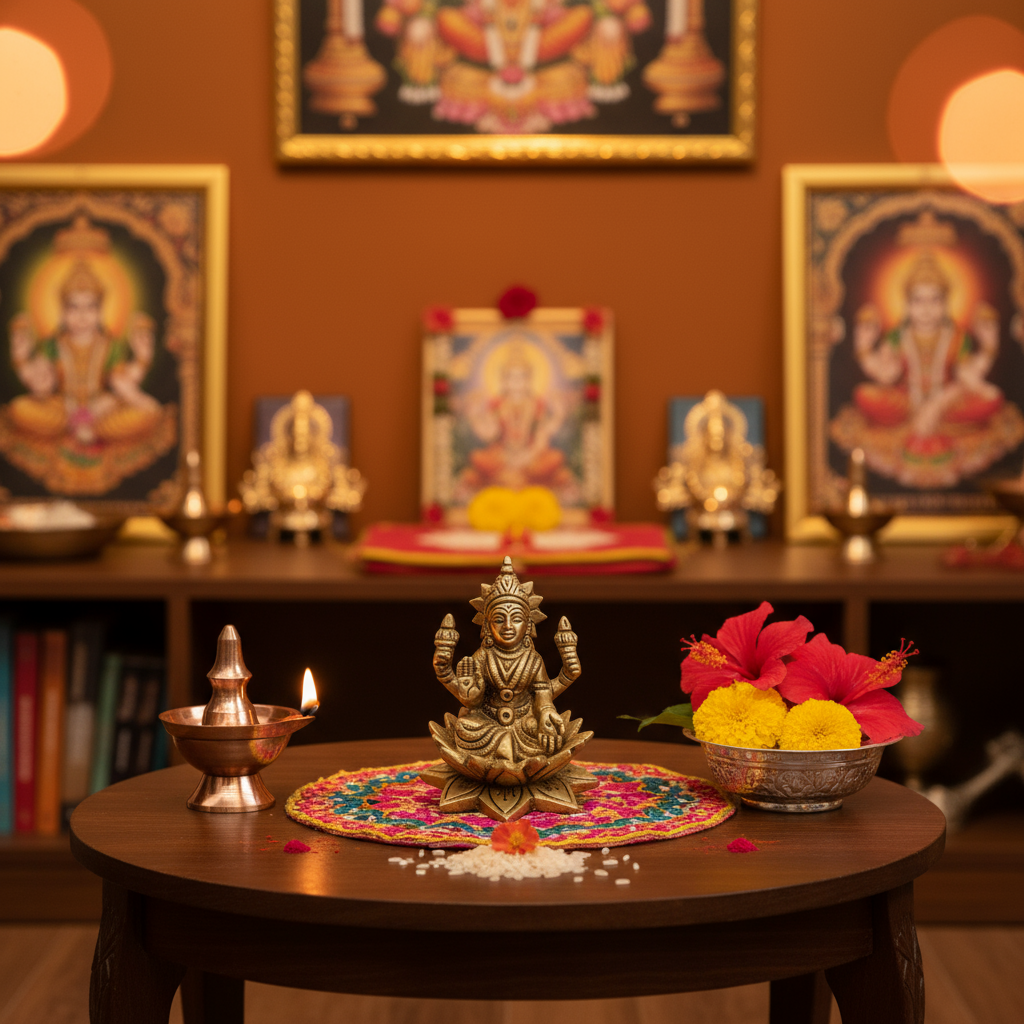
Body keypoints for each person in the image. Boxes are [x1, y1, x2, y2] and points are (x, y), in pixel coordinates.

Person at [851, 250, 1003, 456]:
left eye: (934, 301)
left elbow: (967, 377)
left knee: (992, 399)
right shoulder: (897, 336)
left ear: (945, 303)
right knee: (864, 395)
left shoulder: (957, 337)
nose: (926, 309)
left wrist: (988, 347)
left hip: (947, 403)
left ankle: (928, 423)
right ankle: (921, 422)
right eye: (918, 301)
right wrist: (864, 348)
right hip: (906, 404)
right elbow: (886, 376)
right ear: (907, 304)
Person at [431, 557, 580, 763]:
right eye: (499, 619)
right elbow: (472, 700)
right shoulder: (483, 656)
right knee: (465, 728)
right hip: (488, 722)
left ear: (528, 624)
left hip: (523, 723)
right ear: (487, 626)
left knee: (546, 732)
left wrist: (546, 712)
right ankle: (512, 758)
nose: (508, 626)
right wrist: (455, 680)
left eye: (517, 618)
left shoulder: (533, 659)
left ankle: (501, 757)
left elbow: (543, 694)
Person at [7, 261, 161, 446]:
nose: (82, 315)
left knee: (145, 414)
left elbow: (123, 383)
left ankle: (91, 430)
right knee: (19, 409)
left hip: (102, 410)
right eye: (74, 307)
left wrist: (142, 359)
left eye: (90, 307)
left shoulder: (111, 346)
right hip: (62, 408)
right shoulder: (52, 345)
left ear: (100, 311)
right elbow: (39, 385)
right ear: (62, 312)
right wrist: (20, 357)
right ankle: (78, 429)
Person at [457, 342, 576, 498]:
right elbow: (489, 434)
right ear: (504, 381)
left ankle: (507, 480)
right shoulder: (497, 405)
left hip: (531, 457)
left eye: (521, 377)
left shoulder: (537, 405)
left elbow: (542, 436)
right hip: (502, 457)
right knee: (478, 457)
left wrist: (559, 416)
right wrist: (473, 417)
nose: (516, 381)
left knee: (556, 458)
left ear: (529, 380)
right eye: (511, 377)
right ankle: (522, 481)